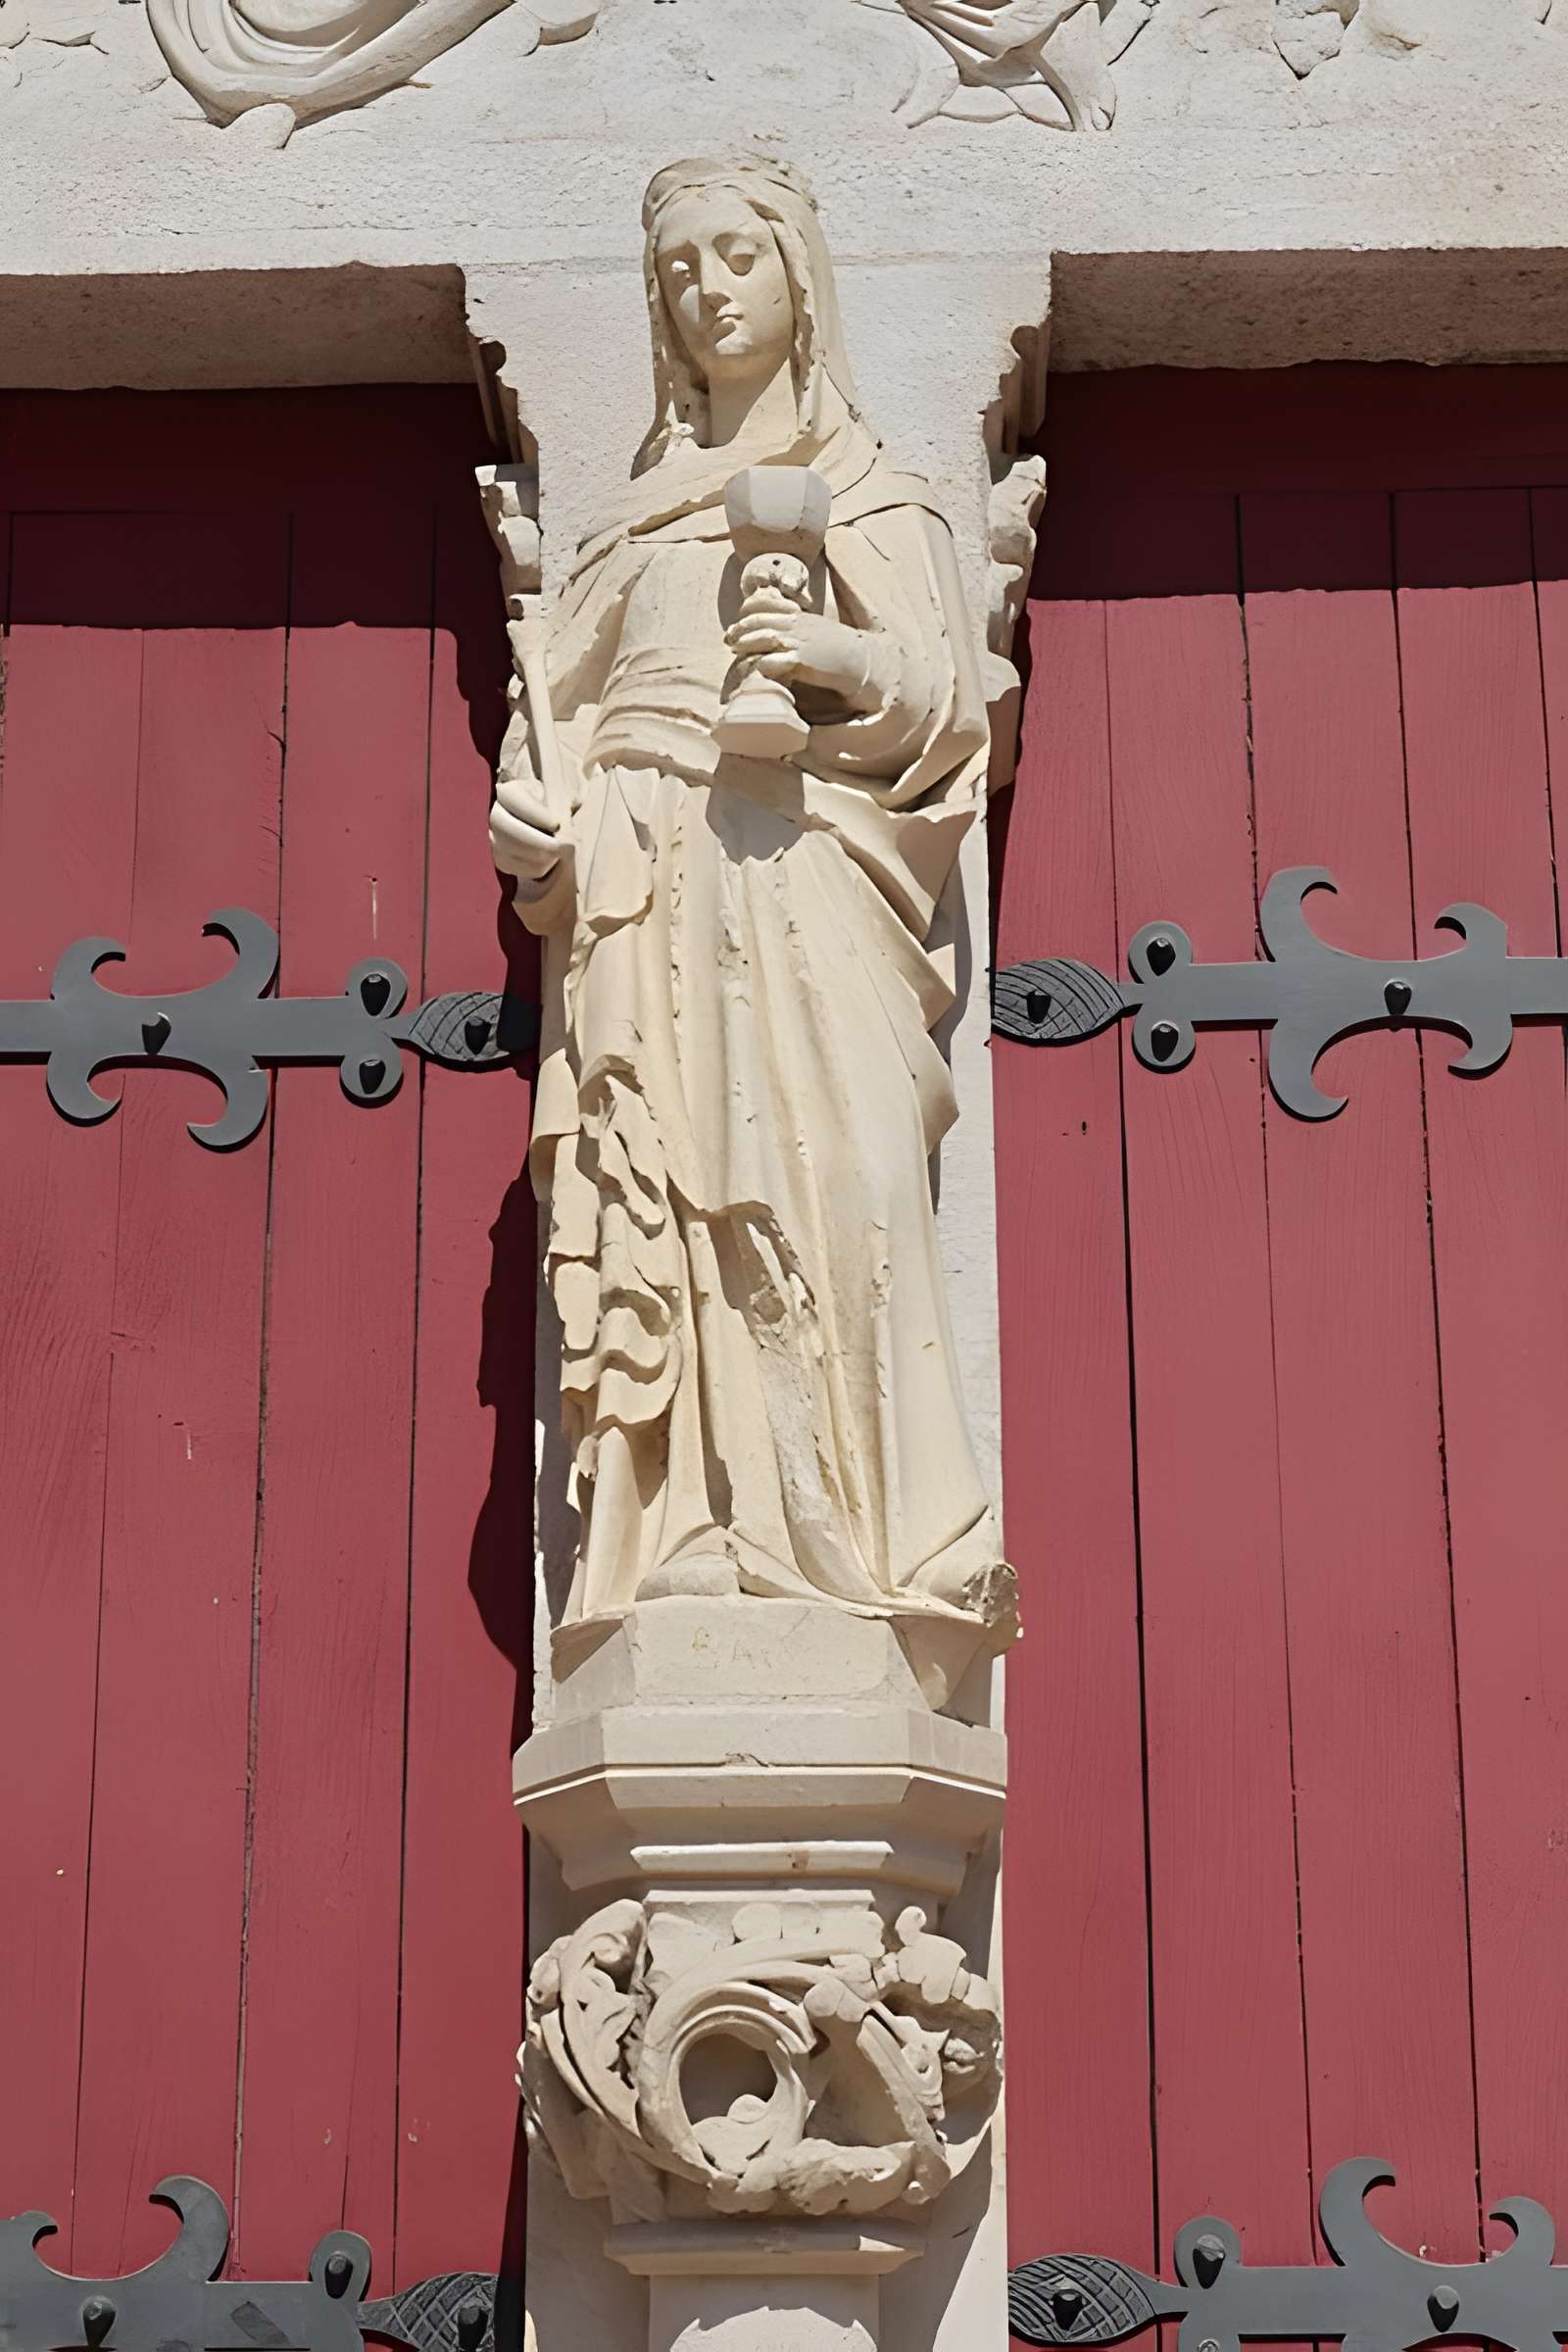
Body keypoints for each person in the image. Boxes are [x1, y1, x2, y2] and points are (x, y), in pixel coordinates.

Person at [490, 154, 1015, 1655]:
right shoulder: (630, 530)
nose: (706, 287)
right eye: (676, 269)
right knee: (660, 1190)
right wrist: (535, 830)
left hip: (806, 883)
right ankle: (688, 1542)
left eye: (735, 253)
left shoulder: (874, 498)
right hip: (646, 896)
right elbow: (558, 743)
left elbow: (943, 718)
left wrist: (835, 660)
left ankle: (849, 1548)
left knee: (831, 1188)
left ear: (800, 274)